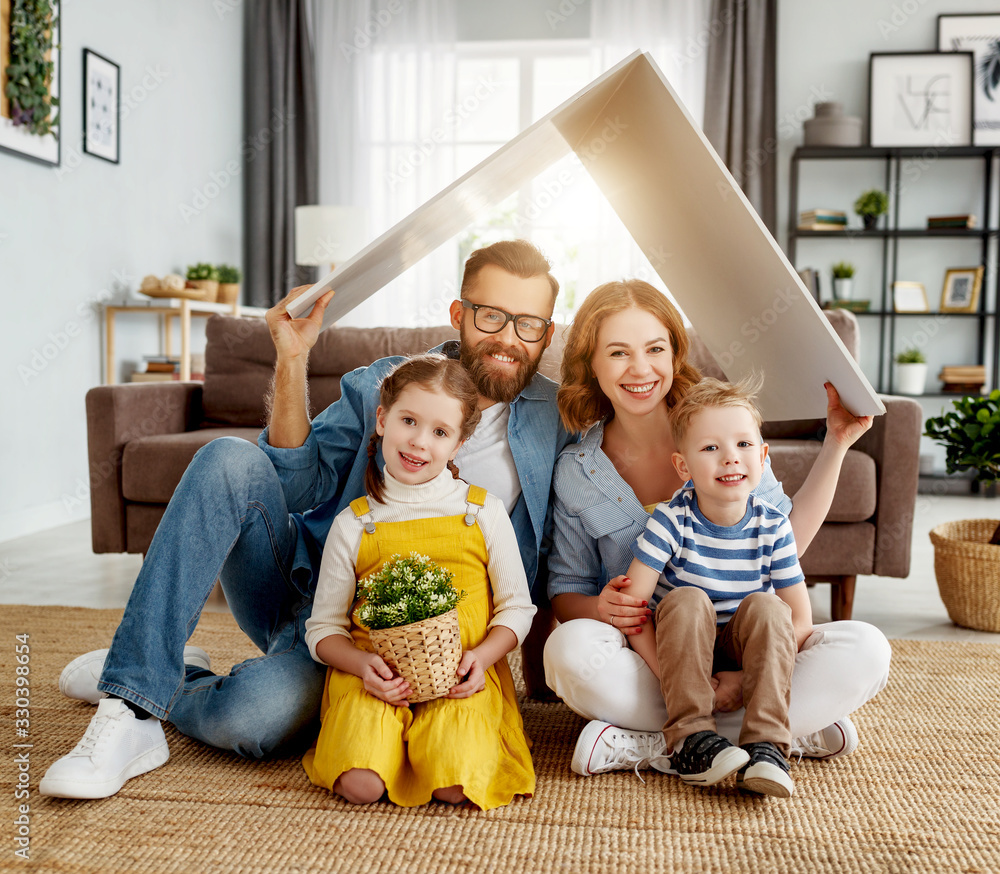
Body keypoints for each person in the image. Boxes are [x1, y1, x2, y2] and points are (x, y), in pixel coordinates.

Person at [40, 240, 571, 800]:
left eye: (528, 324)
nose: (509, 338)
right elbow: (295, 486)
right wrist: (292, 360)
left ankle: (157, 669)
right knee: (228, 458)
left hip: (417, 647)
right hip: (315, 599)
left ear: (548, 335)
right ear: (459, 314)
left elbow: (548, 558)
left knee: (252, 721)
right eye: (492, 316)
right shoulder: (384, 386)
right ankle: (129, 704)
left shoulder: (559, 418)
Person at [542, 279, 892, 778]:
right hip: (650, 653)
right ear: (590, 365)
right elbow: (566, 592)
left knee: (867, 648)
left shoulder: (723, 432)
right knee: (569, 650)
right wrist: (601, 607)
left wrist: (836, 444)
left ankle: (653, 742)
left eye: (655, 349)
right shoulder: (578, 469)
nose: (640, 369)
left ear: (674, 353)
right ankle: (784, 732)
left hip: (755, 642)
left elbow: (784, 538)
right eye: (618, 352)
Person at [302, 354, 535, 809]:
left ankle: (430, 741)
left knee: (452, 784)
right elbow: (323, 628)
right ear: (383, 419)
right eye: (409, 420)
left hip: (460, 678)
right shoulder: (355, 523)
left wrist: (483, 659)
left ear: (459, 443)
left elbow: (517, 608)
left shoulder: (480, 511)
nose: (419, 442)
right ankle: (379, 740)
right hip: (376, 678)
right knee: (362, 786)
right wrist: (358, 665)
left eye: (440, 432)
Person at [624, 376, 812, 798]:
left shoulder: (773, 526)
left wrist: (742, 680)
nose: (731, 459)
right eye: (711, 448)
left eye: (744, 445)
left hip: (742, 649)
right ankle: (691, 740)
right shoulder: (671, 521)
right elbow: (633, 611)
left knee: (770, 607)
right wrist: (689, 681)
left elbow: (800, 618)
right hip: (683, 651)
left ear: (763, 456)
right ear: (683, 467)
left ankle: (766, 747)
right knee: (688, 598)